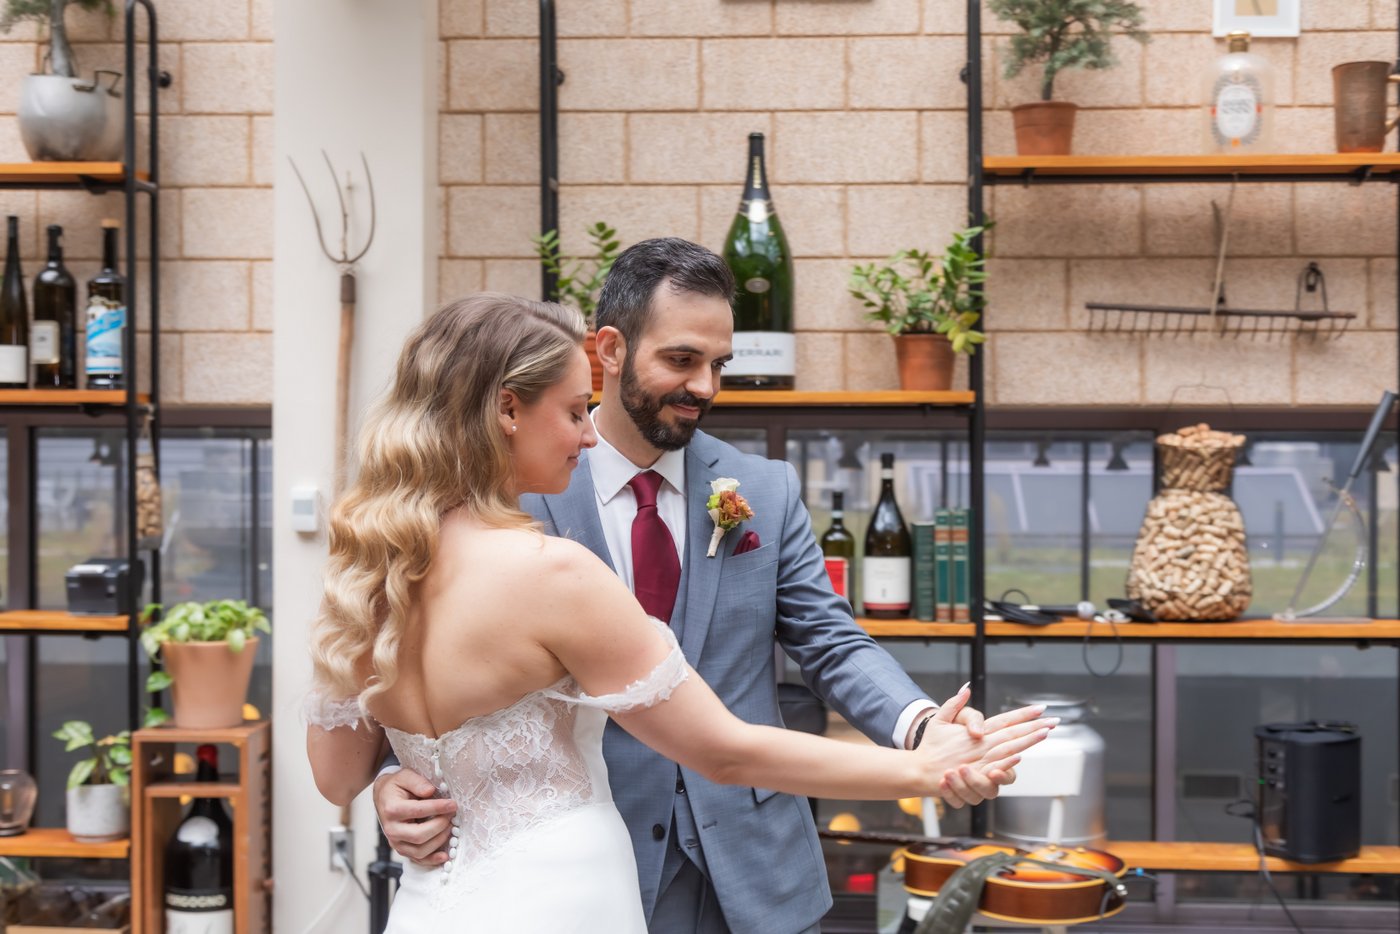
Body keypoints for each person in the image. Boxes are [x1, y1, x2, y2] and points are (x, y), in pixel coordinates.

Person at [305, 292, 1054, 933]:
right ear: (511, 406)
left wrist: (917, 725)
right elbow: (722, 747)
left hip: (453, 905)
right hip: (576, 890)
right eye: (573, 409)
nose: (587, 429)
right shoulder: (553, 568)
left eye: (719, 365)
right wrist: (920, 772)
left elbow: (336, 773)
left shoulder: (370, 565)